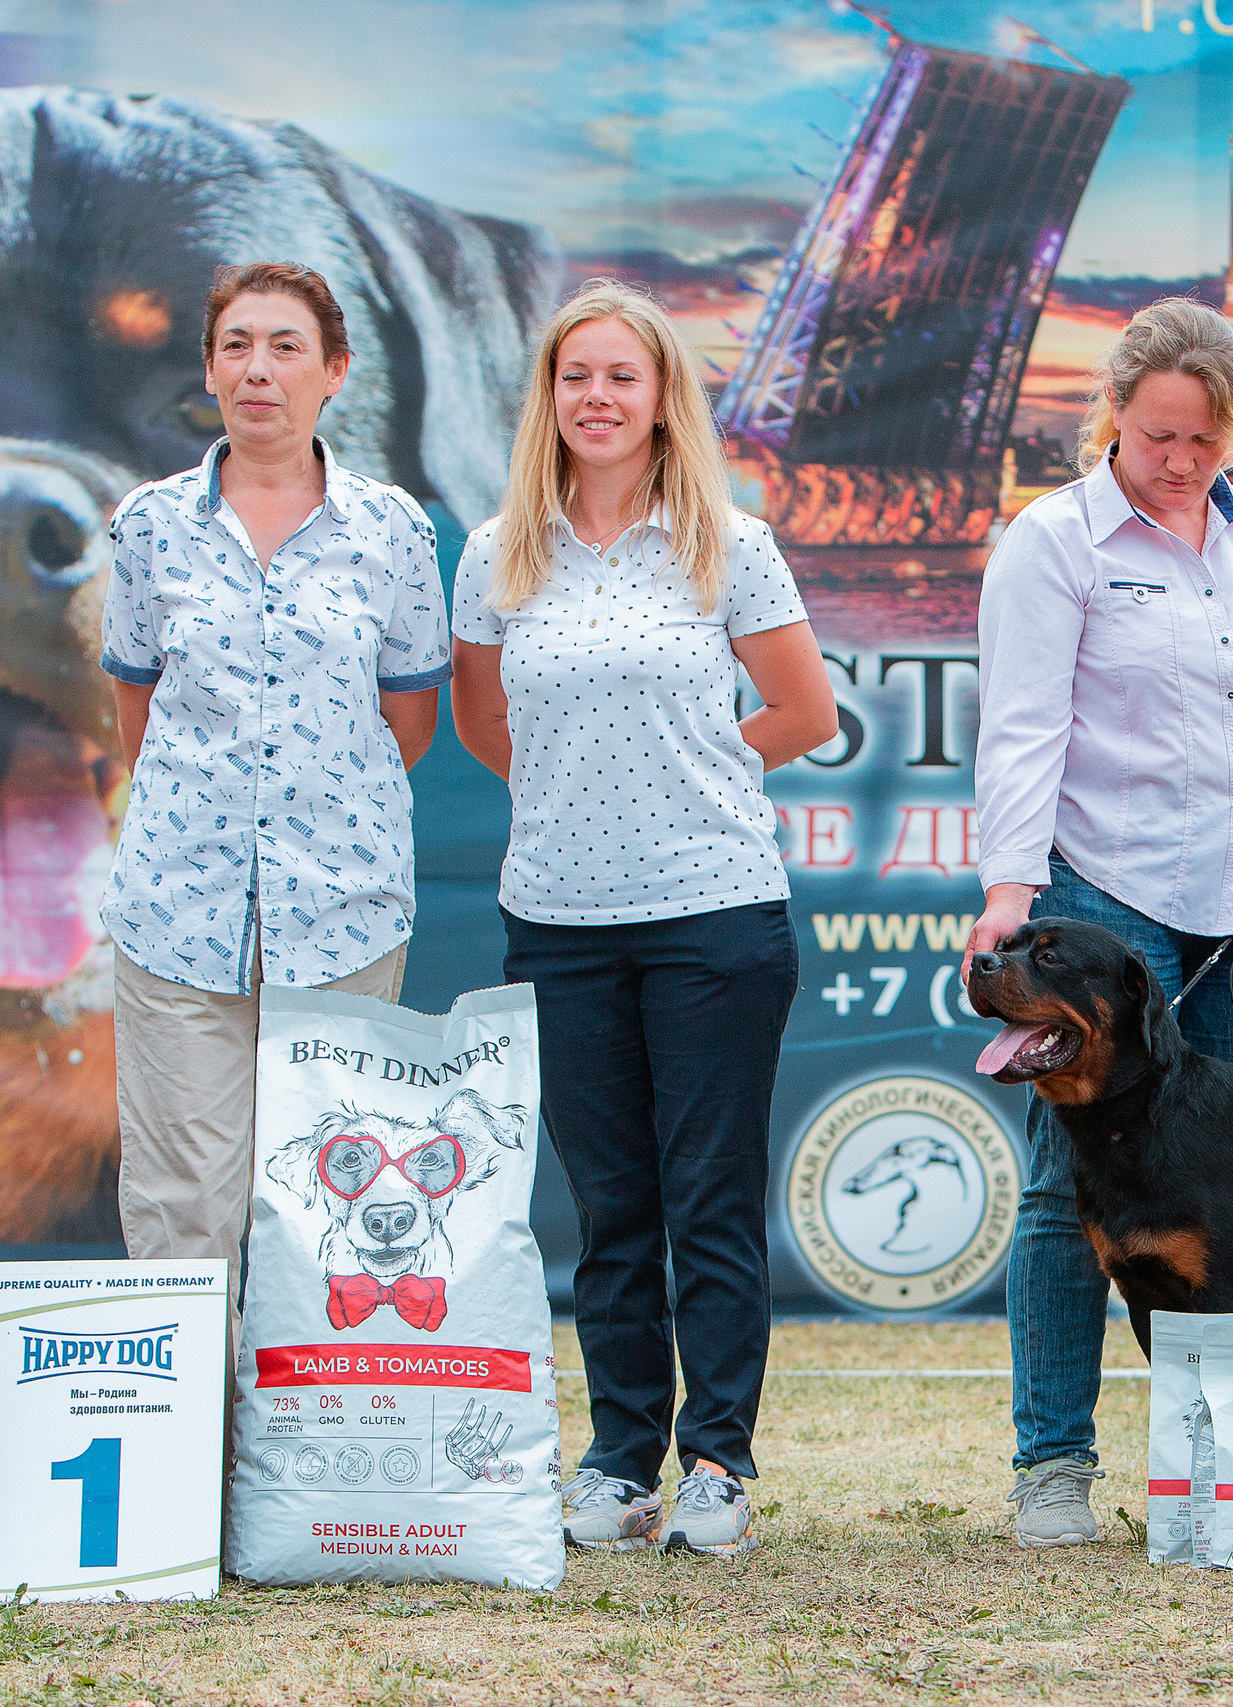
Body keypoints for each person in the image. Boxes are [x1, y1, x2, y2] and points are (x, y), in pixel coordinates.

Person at [449, 279, 837, 1558]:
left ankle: (717, 1462)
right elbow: (482, 726)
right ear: (548, 400)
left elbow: (803, 714)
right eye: (575, 378)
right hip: (557, 923)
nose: (596, 399)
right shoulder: (501, 546)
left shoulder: (728, 538)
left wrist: (686, 772)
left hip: (714, 916)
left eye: (621, 376)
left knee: (708, 1198)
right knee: (609, 1208)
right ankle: (619, 1461)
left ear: (663, 395)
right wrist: (578, 796)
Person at [968, 298, 1233, 1547]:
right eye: (1153, 437)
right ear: (1114, 421)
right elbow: (1022, 727)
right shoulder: (1054, 538)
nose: (1177, 462)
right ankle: (1053, 1470)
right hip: (1099, 891)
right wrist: (1010, 894)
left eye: (1200, 440)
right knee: (1058, 1192)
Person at [99, 261, 447, 1336]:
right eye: (237, 345)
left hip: (341, 917)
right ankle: (193, 1475)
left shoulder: (392, 531)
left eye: (286, 346)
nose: (260, 369)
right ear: (209, 370)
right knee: (181, 1204)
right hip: (176, 914)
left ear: (334, 371)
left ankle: (300, 1480)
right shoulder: (150, 525)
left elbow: (409, 723)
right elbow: (132, 712)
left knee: (329, 1200)